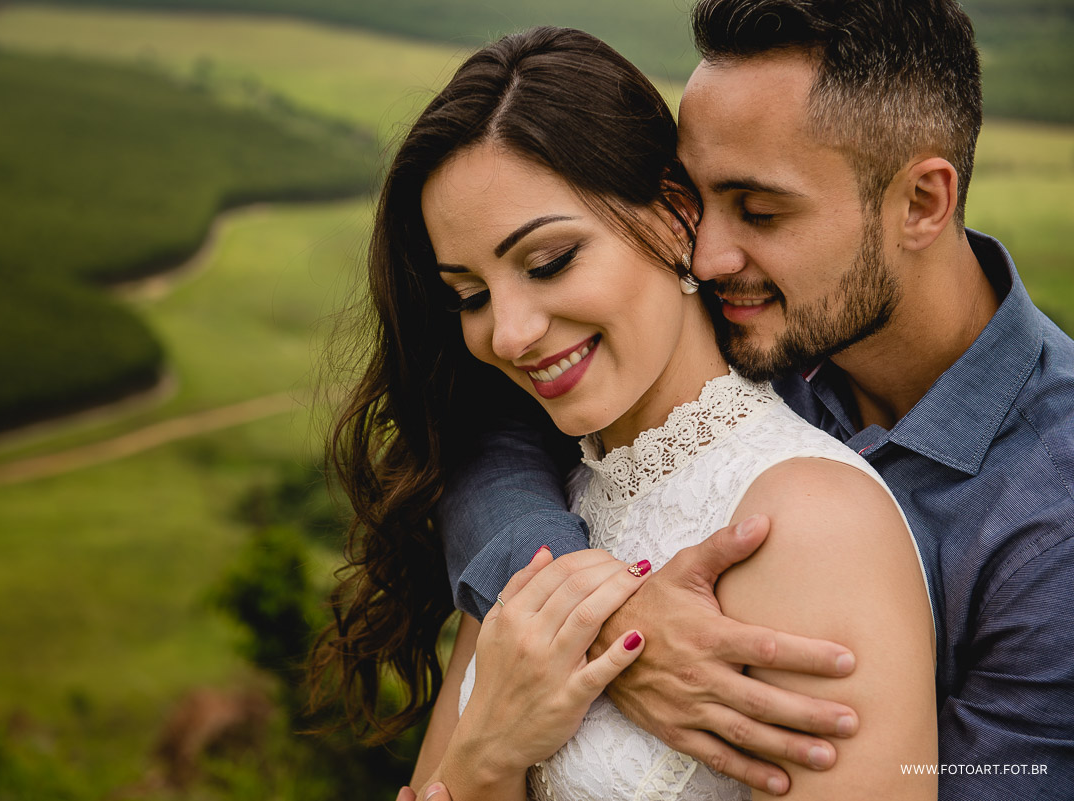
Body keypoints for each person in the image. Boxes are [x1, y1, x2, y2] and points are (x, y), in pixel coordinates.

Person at [434, 0, 1074, 799]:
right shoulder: (745, 311)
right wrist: (605, 619)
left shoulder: (1058, 518)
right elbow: (493, 437)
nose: (704, 251)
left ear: (920, 204)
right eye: (695, 198)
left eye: (761, 210)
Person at [310, 23, 936, 801]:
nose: (508, 333)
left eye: (549, 261)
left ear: (675, 215)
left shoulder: (810, 522)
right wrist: (488, 755)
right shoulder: (538, 548)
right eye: (469, 294)